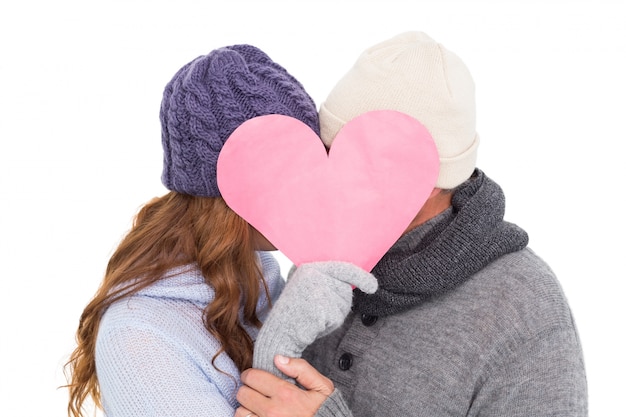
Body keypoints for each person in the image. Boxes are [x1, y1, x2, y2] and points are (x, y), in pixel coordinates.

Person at [236, 31, 588, 417]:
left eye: (363, 161)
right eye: (331, 152)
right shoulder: (323, 257)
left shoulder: (523, 311)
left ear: (431, 175)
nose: (335, 179)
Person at [64, 44, 321, 417]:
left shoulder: (259, 268)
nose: (315, 191)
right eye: (293, 172)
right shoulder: (139, 338)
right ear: (232, 192)